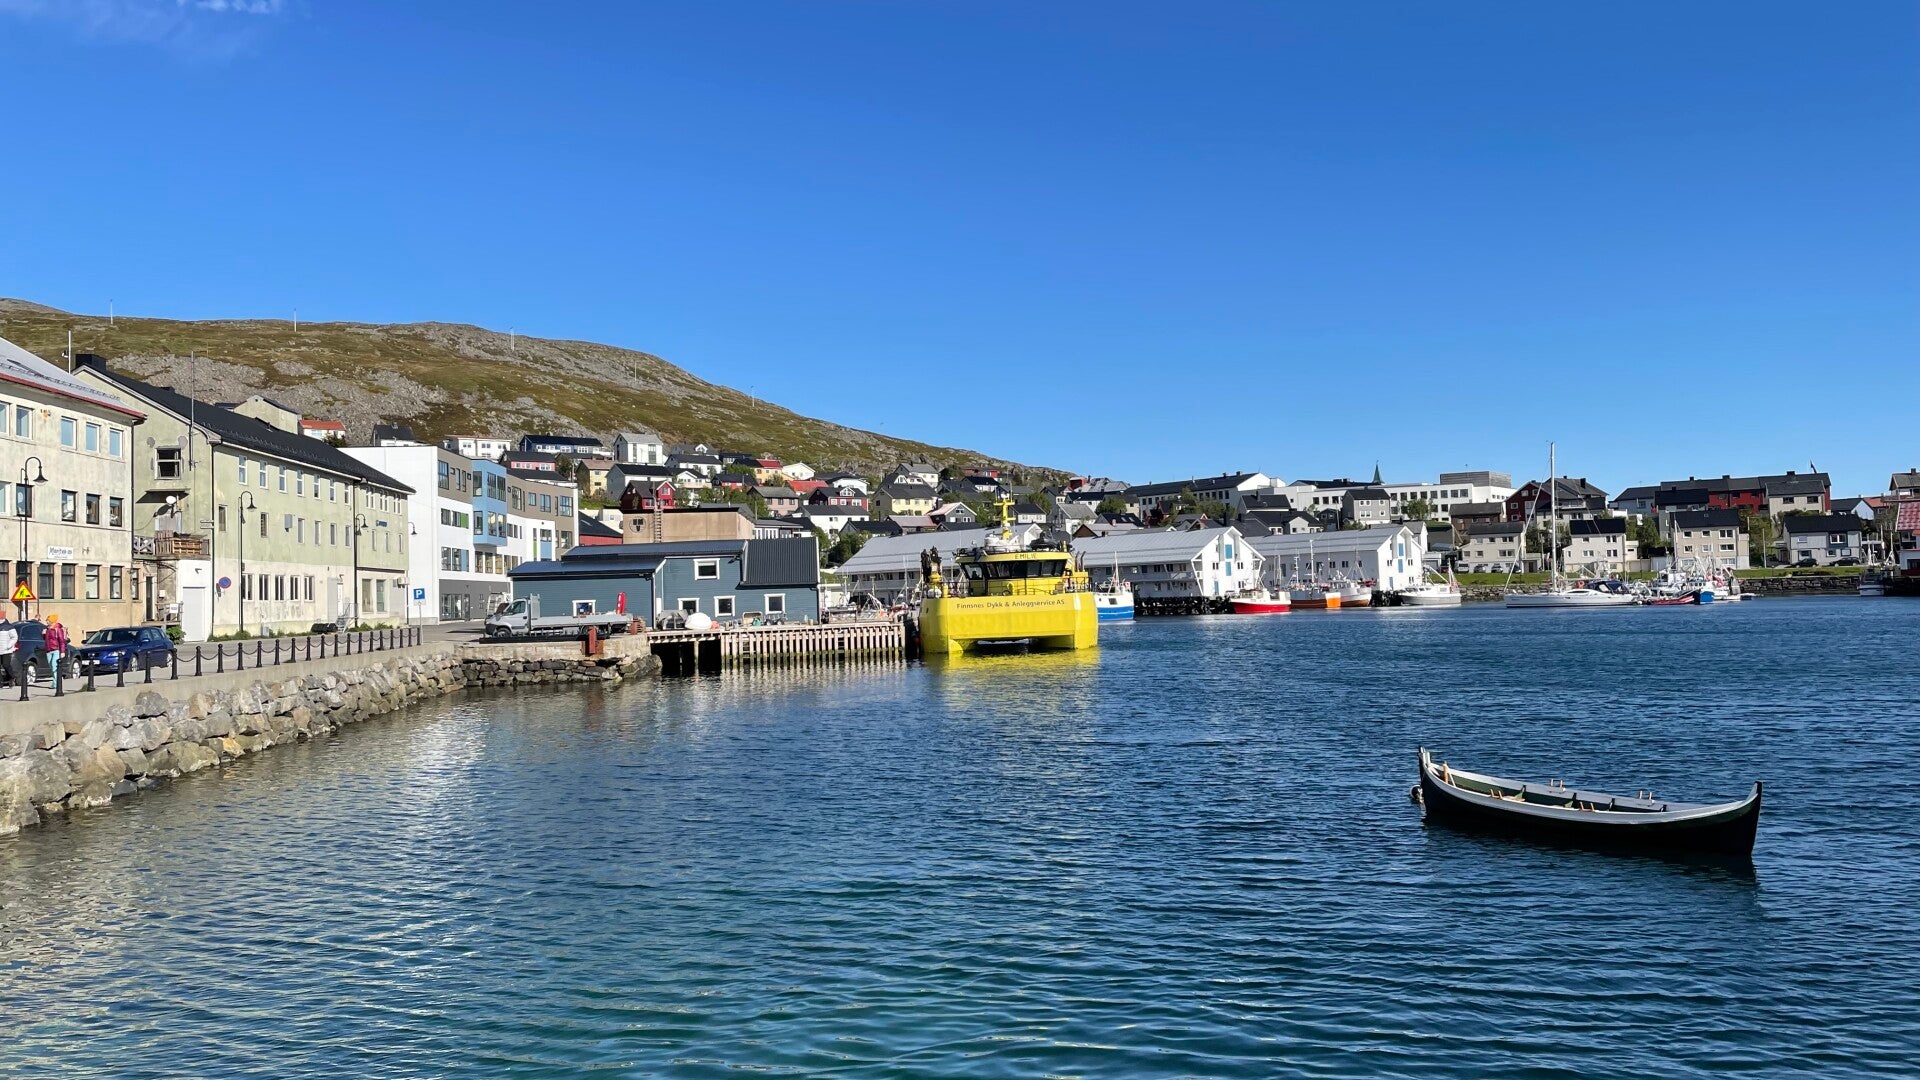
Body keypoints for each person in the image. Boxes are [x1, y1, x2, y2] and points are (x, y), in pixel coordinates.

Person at [43, 614, 68, 690]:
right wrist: (43, 634)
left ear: (52, 621)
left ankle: (56, 683)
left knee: (54, 666)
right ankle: (56, 680)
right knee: (51, 666)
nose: (46, 621)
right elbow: (46, 640)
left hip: (56, 649)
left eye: (48, 620)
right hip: (48, 650)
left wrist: (62, 651)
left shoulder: (57, 629)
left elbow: (61, 641)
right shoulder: (47, 629)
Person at [0, 616, 16, 689]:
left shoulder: (9, 627)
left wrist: (8, 645)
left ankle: (11, 677)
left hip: (6, 650)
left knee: (6, 665)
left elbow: (14, 637)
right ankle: (1, 683)